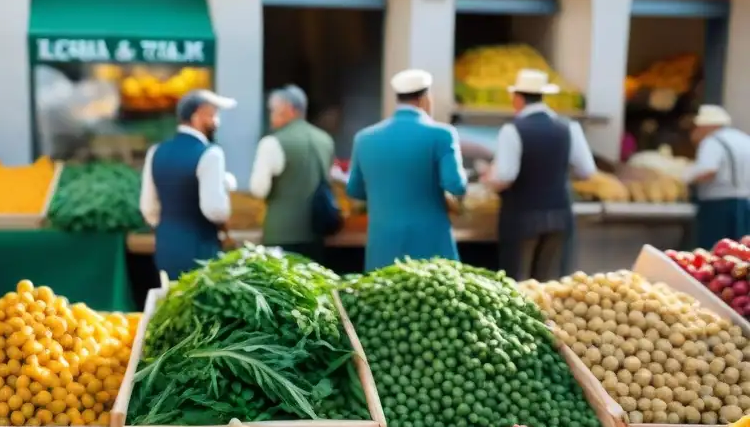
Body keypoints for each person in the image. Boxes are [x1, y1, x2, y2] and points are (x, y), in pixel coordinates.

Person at [482, 69, 596, 282]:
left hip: (521, 217)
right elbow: (587, 171)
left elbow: (505, 176)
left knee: (518, 282)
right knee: (550, 283)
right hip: (560, 216)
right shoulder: (568, 127)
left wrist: (488, 179)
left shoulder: (512, 130)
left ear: (517, 98)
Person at [346, 69, 467, 271]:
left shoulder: (364, 138)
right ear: (426, 98)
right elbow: (455, 185)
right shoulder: (442, 134)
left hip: (383, 246)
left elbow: (354, 190)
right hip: (431, 247)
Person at [140, 90, 237, 280]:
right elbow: (215, 210)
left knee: (170, 301)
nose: (217, 122)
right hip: (200, 248)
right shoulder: (211, 153)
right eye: (213, 115)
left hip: (165, 247)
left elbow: (148, 208)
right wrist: (225, 189)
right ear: (198, 115)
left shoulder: (156, 151)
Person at [249, 85, 335, 259]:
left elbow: (258, 189)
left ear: (289, 109)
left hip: (280, 234)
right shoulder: (325, 140)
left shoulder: (272, 142)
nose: (271, 116)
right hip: (316, 231)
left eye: (273, 110)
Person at [686, 104, 750, 249]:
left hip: (718, 206)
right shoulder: (744, 139)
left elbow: (708, 170)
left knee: (714, 251)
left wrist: (686, 179)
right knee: (741, 251)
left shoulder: (712, 141)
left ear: (706, 126)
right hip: (745, 204)